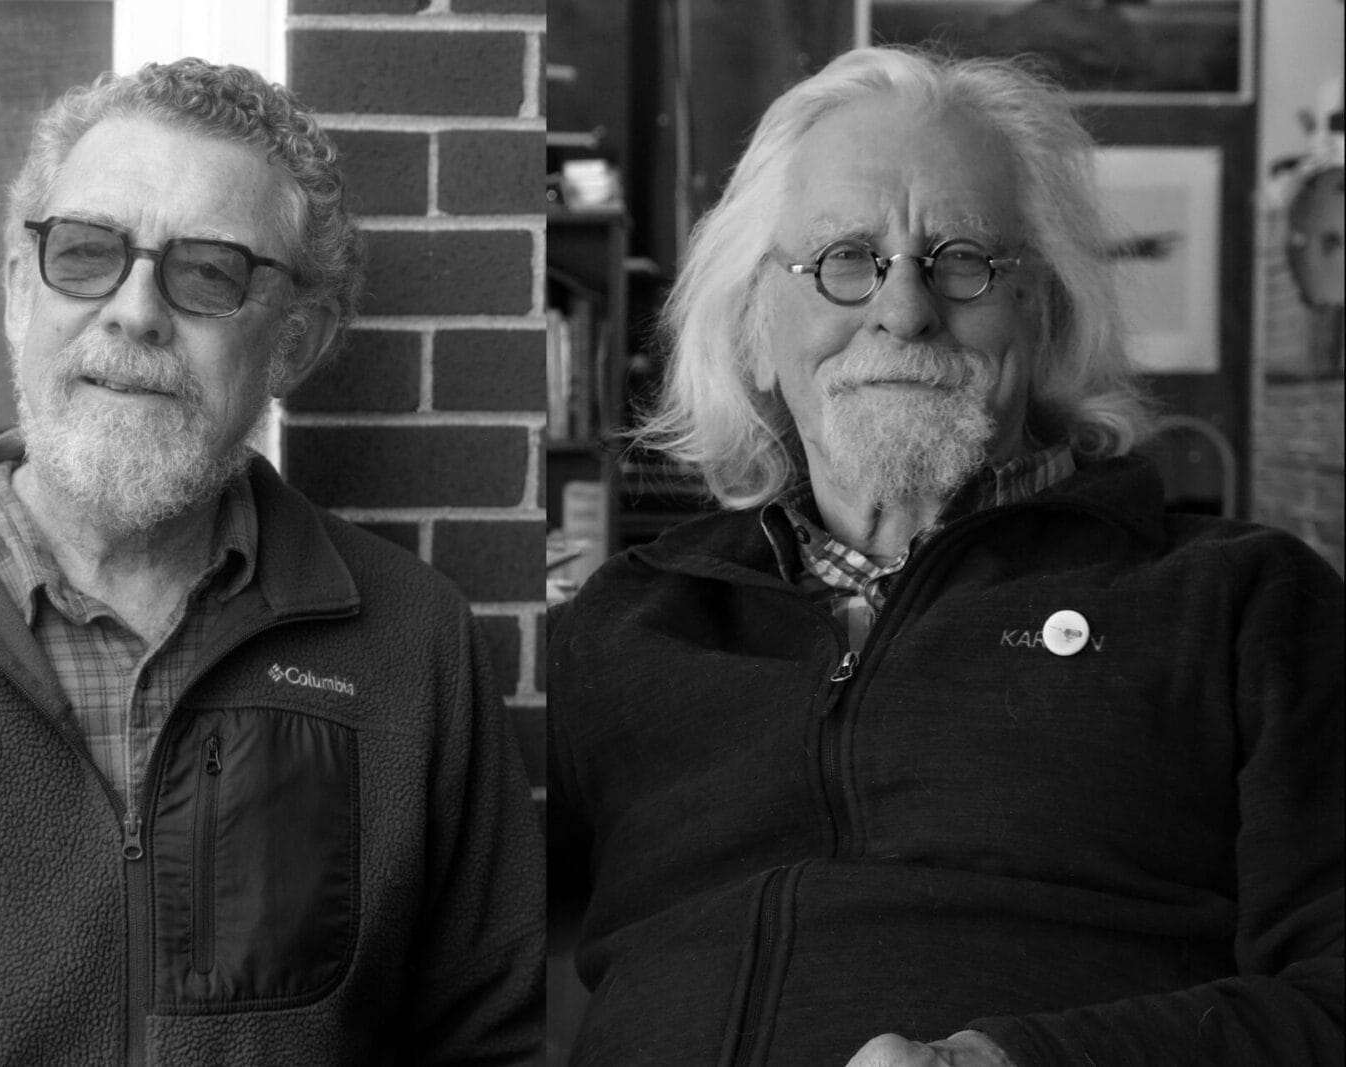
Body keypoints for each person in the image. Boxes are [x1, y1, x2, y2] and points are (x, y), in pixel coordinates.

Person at [548, 46, 1342, 1067]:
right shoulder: (627, 621)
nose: (904, 309)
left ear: (1043, 311)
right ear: (752, 329)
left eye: (962, 258)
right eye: (844, 258)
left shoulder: (1241, 604)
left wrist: (1013, 1061)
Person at [0, 59, 542, 1064]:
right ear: (18, 291)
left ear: (294, 344)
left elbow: (487, 1033)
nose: (134, 311)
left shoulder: (411, 643)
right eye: (86, 252)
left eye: (207, 272)